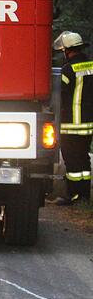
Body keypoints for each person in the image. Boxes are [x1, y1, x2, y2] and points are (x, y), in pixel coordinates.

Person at [53, 31, 92, 205]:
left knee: (72, 160)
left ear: (68, 50)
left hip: (71, 124)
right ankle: (84, 195)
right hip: (88, 124)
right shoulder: (91, 66)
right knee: (84, 158)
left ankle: (73, 194)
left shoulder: (68, 70)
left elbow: (61, 95)